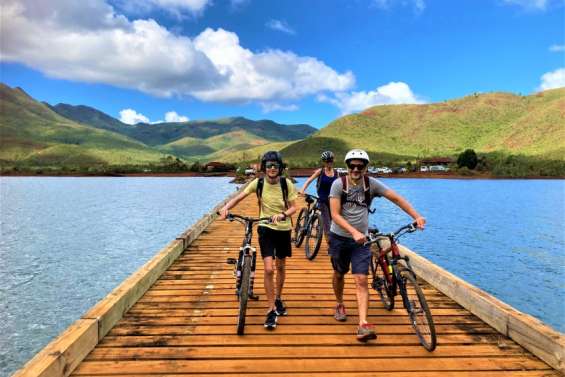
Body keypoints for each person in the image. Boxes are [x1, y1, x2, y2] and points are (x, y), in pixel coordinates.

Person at [328, 149, 426, 342]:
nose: (356, 169)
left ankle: (363, 324)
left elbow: (396, 198)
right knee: (339, 273)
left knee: (361, 280)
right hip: (340, 237)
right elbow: (335, 214)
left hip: (362, 242)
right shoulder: (338, 185)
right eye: (352, 166)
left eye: (360, 166)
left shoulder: (371, 184)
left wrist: (416, 216)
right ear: (347, 166)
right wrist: (353, 231)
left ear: (366, 167)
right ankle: (339, 303)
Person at [219, 151, 297, 330]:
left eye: (275, 166)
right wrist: (225, 208)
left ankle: (278, 298)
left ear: (280, 168)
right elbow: (239, 197)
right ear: (263, 168)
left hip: (283, 229)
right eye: (268, 165)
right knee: (269, 269)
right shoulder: (258, 183)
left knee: (280, 267)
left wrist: (282, 214)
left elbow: (294, 208)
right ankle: (271, 310)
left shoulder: (287, 184)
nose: (272, 169)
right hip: (265, 228)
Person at [299, 151, 339, 247]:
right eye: (326, 161)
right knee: (327, 224)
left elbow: (340, 187)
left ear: (333, 161)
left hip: (333, 202)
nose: (328, 163)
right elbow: (309, 180)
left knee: (336, 224)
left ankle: (334, 241)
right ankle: (331, 247)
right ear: (324, 162)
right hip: (322, 200)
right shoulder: (320, 172)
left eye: (330, 161)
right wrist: (302, 190)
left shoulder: (336, 173)